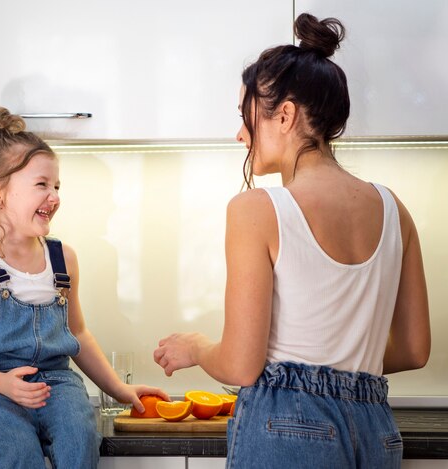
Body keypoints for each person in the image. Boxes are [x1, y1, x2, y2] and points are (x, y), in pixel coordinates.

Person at [153, 13, 430, 469]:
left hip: (289, 431)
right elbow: (415, 349)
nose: (239, 134)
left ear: (284, 115)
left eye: (246, 117)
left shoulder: (258, 210)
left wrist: (198, 348)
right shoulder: (394, 210)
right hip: (376, 432)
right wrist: (338, 359)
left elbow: (242, 365)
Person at [0, 106, 168, 469]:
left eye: (57, 185)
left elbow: (77, 333)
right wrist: (2, 384)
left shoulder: (63, 259)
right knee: (18, 454)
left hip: (57, 384)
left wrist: (119, 390)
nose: (54, 196)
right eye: (41, 184)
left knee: (80, 440)